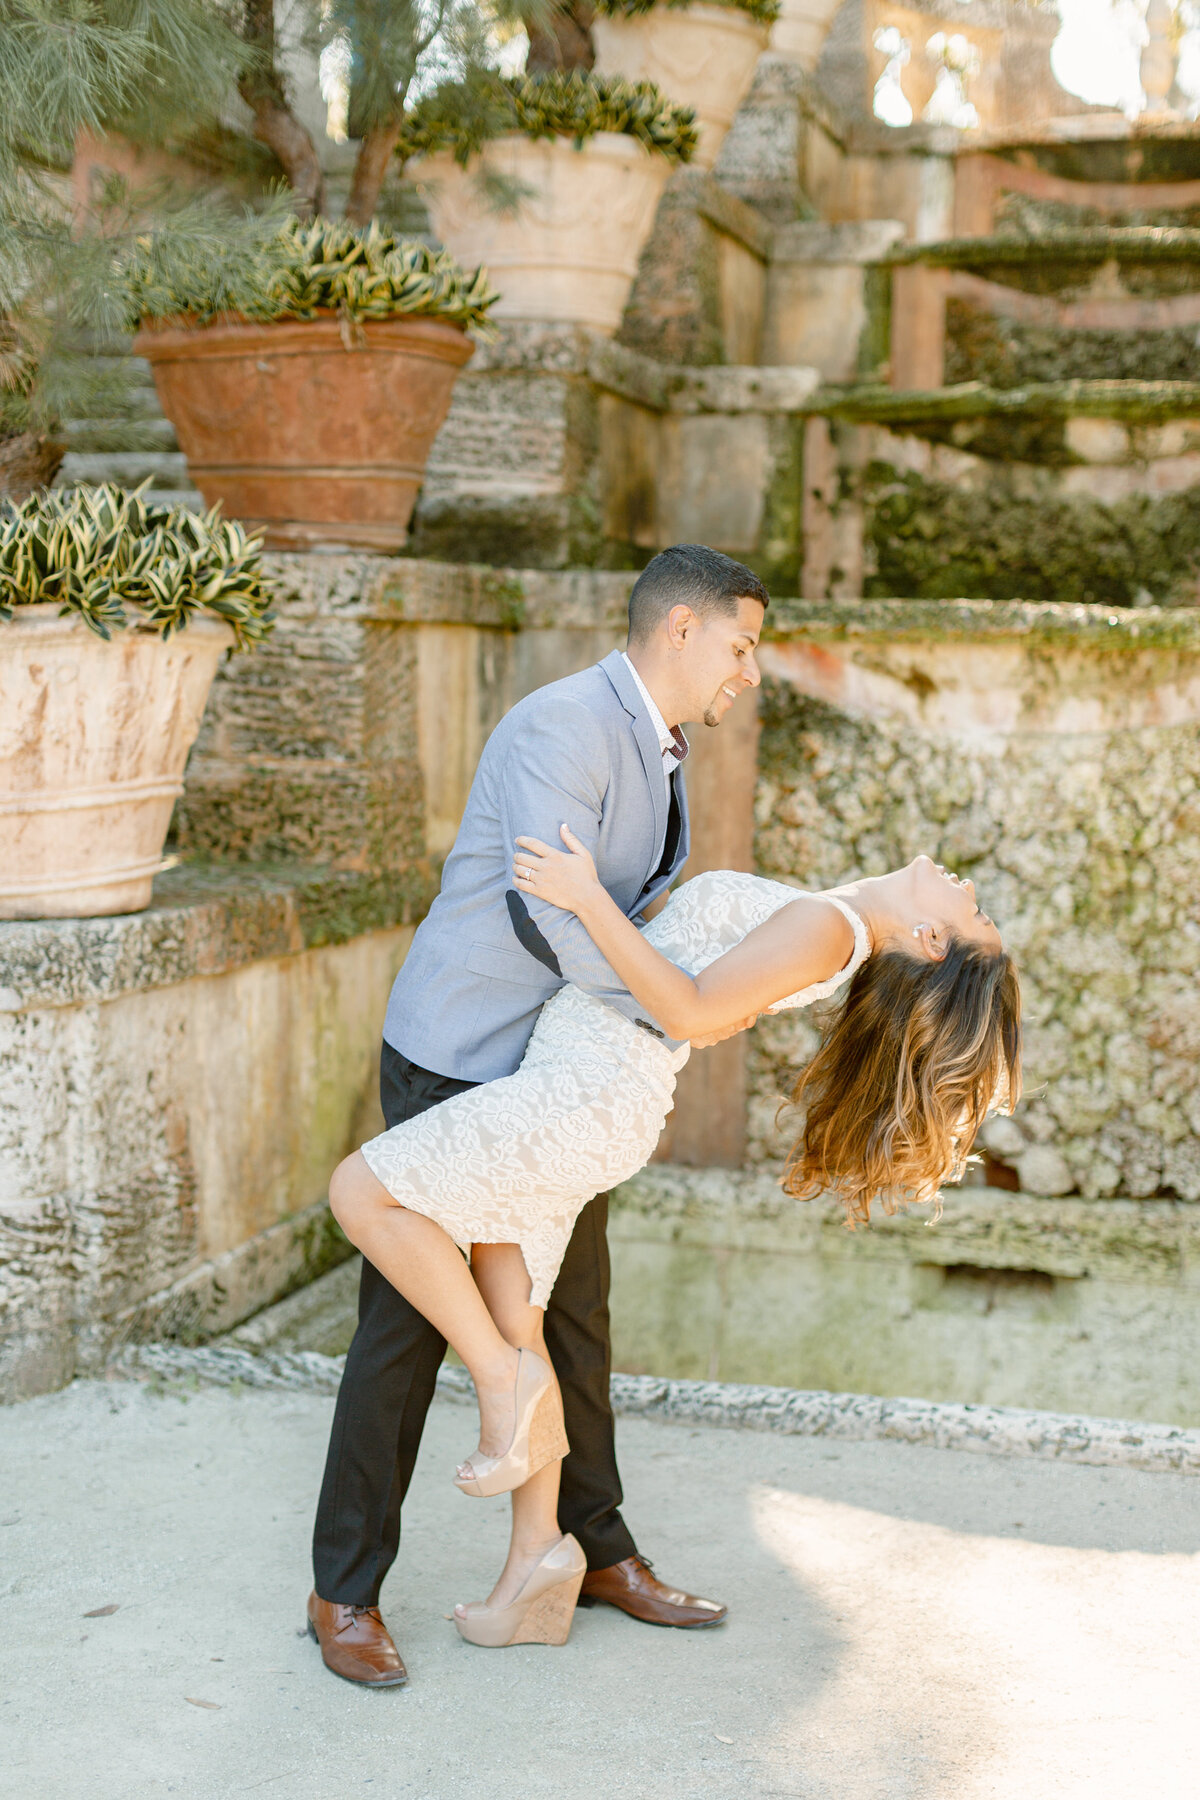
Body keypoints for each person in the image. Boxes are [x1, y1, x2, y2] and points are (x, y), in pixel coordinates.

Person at [325, 842, 1021, 1649]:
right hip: (589, 1092)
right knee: (517, 1306)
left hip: (581, 1091)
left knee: (362, 1193)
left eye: (977, 914)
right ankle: (534, 1567)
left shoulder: (832, 929)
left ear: (933, 939)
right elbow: (704, 1000)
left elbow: (686, 1010)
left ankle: (495, 1378)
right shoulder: (835, 926)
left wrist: (586, 897)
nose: (971, 890)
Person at [307, 543, 768, 1683]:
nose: (749, 673)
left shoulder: (660, 750)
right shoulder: (563, 727)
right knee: (407, 1328)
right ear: (680, 630)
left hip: (553, 1075)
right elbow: (546, 921)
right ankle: (343, 1591)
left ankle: (598, 1552)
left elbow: (634, 909)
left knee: (576, 1315)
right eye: (743, 645)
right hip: (462, 1051)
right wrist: (673, 1011)